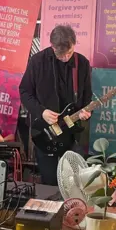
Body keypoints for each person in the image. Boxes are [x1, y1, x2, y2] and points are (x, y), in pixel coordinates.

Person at [19, 25, 92, 186]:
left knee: (77, 183)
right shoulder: (37, 61)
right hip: (45, 133)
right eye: (61, 55)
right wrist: (41, 111)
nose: (66, 57)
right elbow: (24, 92)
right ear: (52, 46)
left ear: (74, 43)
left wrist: (85, 113)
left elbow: (87, 97)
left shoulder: (83, 64)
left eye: (70, 53)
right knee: (49, 183)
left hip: (73, 134)